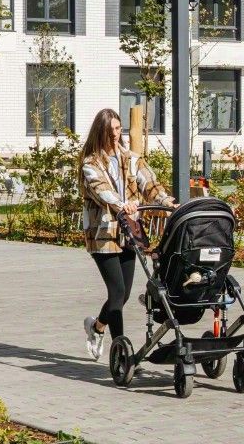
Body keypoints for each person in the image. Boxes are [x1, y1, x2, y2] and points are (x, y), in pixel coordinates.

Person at [80, 108, 175, 361]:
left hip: (129, 232)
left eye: (118, 128)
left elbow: (150, 183)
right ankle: (120, 353)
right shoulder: (90, 164)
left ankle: (97, 327)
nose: (115, 134)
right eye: (110, 130)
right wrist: (122, 205)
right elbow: (101, 190)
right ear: (100, 132)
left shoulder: (131, 159)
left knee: (125, 295)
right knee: (117, 292)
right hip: (103, 234)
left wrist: (166, 201)